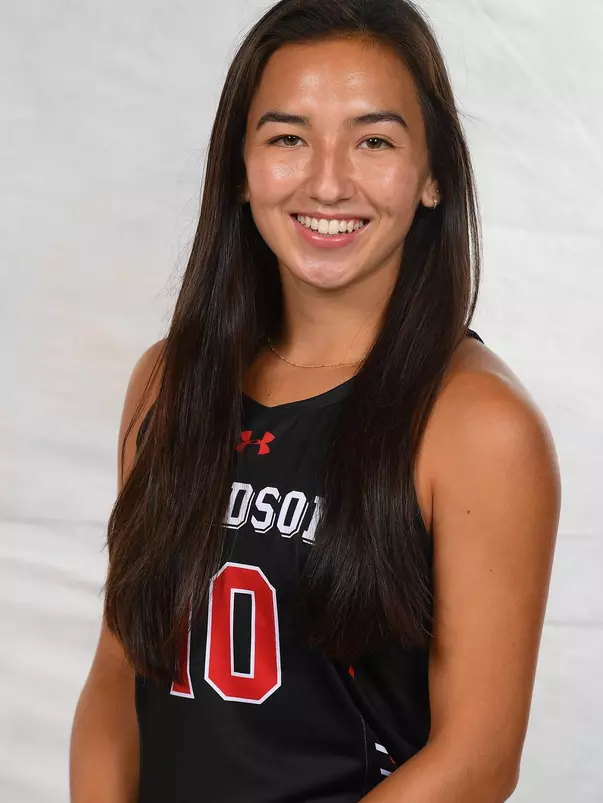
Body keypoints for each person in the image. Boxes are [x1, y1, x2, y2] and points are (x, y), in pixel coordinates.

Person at [69, 1, 560, 801]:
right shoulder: (168, 382)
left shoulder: (475, 424)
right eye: (288, 137)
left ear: (433, 174)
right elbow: (116, 678)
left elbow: (476, 759)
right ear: (240, 167)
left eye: (373, 140)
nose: (327, 180)